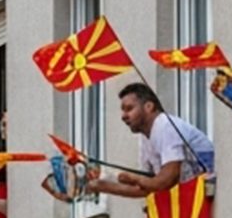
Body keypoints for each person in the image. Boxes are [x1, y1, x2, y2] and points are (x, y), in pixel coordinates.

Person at [86, 83, 214, 199]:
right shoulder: (146, 136)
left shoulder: (165, 126)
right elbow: (146, 188)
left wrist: (135, 179)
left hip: (208, 195)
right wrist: (102, 185)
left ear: (149, 106)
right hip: (194, 198)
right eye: (123, 110)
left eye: (129, 109)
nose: (123, 116)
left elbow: (167, 180)